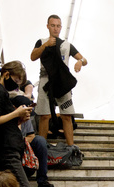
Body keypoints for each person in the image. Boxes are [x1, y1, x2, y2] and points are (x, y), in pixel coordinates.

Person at [31, 14, 87, 147]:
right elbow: (33, 56)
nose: (55, 29)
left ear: (61, 27)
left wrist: (80, 61)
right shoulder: (41, 41)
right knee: (44, 116)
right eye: (53, 25)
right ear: (48, 26)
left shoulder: (67, 45)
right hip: (46, 80)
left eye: (58, 26)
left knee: (67, 115)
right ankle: (42, 149)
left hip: (62, 83)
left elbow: (85, 60)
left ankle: (71, 147)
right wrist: (45, 45)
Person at [0, 60, 36, 187]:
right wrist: (16, 113)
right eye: (16, 80)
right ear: (6, 74)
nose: (17, 85)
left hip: (10, 146)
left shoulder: (2, 92)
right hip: (7, 149)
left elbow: (3, 121)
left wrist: (20, 118)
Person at [10, 95, 54, 187]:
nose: (28, 113)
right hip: (10, 150)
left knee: (40, 141)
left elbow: (31, 135)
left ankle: (42, 179)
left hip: (23, 147)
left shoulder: (27, 118)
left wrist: (22, 141)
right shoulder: (7, 118)